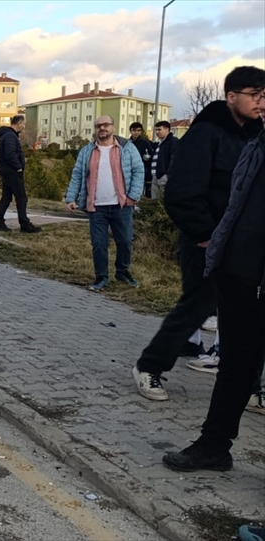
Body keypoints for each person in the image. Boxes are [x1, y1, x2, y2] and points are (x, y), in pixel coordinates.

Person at [132, 66, 265, 402]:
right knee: (196, 306)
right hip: (205, 240)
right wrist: (204, 233)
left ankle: (248, 388)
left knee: (243, 317)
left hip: (242, 242)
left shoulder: (252, 134)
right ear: (232, 96)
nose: (261, 103)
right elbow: (182, 190)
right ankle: (149, 367)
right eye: (255, 95)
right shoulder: (206, 133)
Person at [162, 99, 265, 472]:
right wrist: (218, 248)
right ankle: (213, 447)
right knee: (235, 367)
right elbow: (237, 204)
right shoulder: (256, 145)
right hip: (240, 273)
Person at [64, 115, 144, 292]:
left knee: (125, 241)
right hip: (96, 206)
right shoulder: (87, 151)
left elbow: (139, 171)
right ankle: (101, 277)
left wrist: (133, 196)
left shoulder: (127, 148)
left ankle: (122, 271)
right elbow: (77, 174)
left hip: (122, 205)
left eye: (106, 125)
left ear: (113, 127)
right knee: (99, 244)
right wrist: (71, 198)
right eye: (99, 125)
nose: (102, 128)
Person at [0, 115, 41, 233]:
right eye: (23, 125)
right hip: (12, 172)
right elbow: (10, 154)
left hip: (7, 171)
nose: (23, 127)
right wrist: (18, 167)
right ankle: (24, 224)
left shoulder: (6, 135)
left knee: (6, 197)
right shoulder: (10, 136)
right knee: (21, 197)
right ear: (19, 124)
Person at [149, 121, 178, 199]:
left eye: (159, 129)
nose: (157, 132)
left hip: (164, 177)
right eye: (156, 130)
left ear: (167, 129)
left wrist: (167, 175)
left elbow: (175, 159)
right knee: (155, 201)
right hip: (155, 176)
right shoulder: (160, 143)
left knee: (164, 200)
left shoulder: (173, 142)